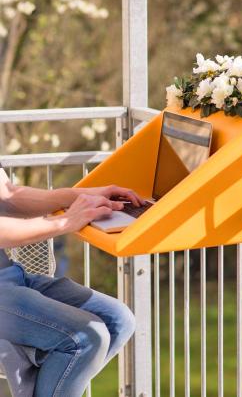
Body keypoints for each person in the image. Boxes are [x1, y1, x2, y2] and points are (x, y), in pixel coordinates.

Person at [0, 162, 142, 397]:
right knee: (85, 338)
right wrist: (65, 221)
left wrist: (82, 196)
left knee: (117, 319)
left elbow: (8, 196)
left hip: (9, 275)